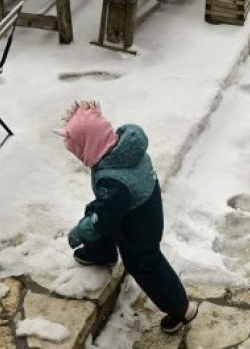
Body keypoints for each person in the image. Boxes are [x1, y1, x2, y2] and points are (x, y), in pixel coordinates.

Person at [59, 101, 198, 334]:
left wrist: (79, 233)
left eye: (78, 150)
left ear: (89, 145)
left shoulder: (113, 180)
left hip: (140, 228)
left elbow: (103, 220)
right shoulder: (123, 151)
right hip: (136, 209)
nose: (78, 156)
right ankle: (101, 253)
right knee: (96, 209)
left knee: (144, 264)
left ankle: (181, 310)